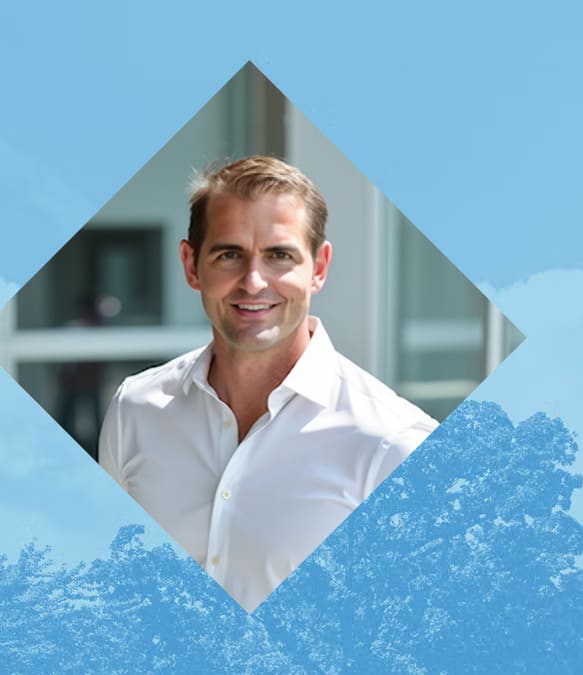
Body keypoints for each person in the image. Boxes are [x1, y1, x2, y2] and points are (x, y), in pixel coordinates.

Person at [98, 156, 438, 612]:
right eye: (229, 254)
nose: (253, 282)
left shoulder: (393, 445)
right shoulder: (136, 409)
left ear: (318, 267)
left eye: (279, 255)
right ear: (191, 264)